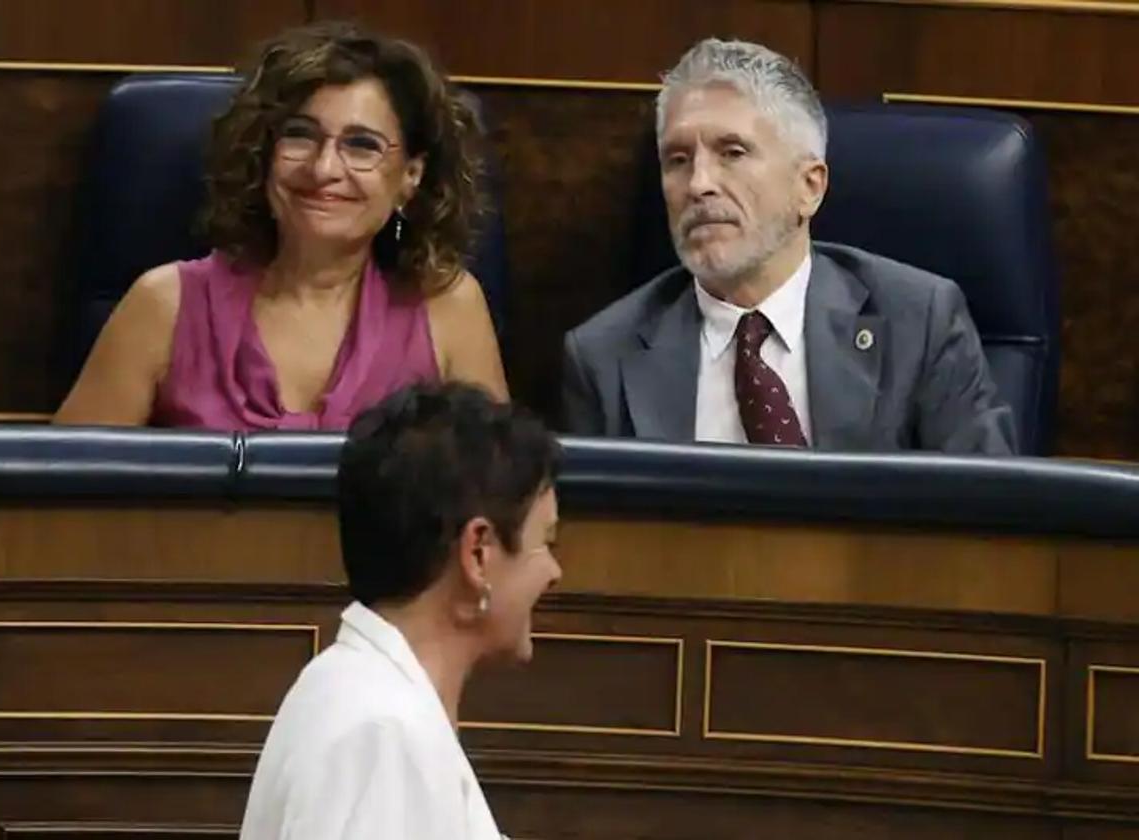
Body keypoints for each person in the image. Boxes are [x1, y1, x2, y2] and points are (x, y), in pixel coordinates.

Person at [562, 38, 1016, 454]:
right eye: (677, 160)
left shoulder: (920, 324)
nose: (698, 184)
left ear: (809, 187)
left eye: (732, 153)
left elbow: (991, 518)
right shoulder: (603, 355)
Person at [56, 21, 506, 430]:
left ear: (411, 175)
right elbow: (63, 499)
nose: (324, 167)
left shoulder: (448, 308)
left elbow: (503, 500)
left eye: (362, 145)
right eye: (300, 135)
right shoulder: (162, 306)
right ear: (263, 154)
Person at [239, 382, 561, 839]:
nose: (554, 570)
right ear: (478, 554)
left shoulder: (361, 693)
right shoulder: (382, 733)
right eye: (545, 542)